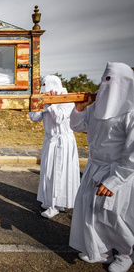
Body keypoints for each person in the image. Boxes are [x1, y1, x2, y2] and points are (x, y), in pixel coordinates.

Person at [69, 62, 134, 271]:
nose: (105, 85)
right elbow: (78, 126)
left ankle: (126, 253)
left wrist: (115, 180)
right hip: (94, 167)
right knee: (91, 210)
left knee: (113, 214)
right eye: (104, 80)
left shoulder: (130, 112)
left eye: (111, 80)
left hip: (117, 171)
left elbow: (132, 153)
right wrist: (79, 110)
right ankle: (102, 251)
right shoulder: (97, 106)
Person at [28, 75, 80, 219]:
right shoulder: (45, 99)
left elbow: (59, 118)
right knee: (48, 172)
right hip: (50, 140)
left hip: (63, 141)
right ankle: (49, 200)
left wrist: (51, 104)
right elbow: (34, 117)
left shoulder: (67, 100)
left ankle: (56, 206)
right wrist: (40, 104)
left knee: (59, 172)